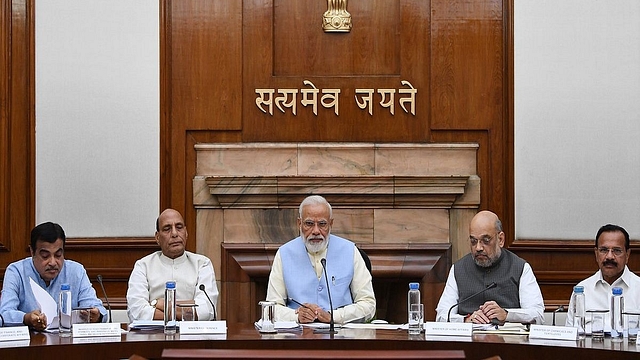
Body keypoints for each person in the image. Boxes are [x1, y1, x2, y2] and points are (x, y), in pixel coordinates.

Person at [265, 195, 376, 324]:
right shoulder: (284, 253)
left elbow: (368, 305)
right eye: (309, 224)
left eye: (322, 224)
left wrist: (335, 316)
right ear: (299, 224)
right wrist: (296, 316)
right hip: (297, 338)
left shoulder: (350, 251)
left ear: (331, 224)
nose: (316, 231)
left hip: (342, 338)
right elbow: (270, 309)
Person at [435, 210, 545, 324]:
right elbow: (442, 316)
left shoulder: (520, 268)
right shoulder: (458, 269)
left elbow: (537, 315)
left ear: (500, 239)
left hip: (507, 340)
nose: (478, 248)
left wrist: (506, 315)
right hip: (469, 340)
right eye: (473, 241)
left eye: (485, 241)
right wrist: (466, 319)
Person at [0, 222, 108, 329]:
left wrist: (97, 315)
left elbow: (97, 308)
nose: (52, 262)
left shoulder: (76, 271)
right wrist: (26, 318)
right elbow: (4, 314)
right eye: (45, 256)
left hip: (68, 342)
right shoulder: (16, 272)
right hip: (30, 343)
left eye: (58, 255)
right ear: (32, 252)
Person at [126, 208, 218, 322]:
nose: (174, 234)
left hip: (192, 337)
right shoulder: (143, 266)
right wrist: (189, 307)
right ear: (157, 238)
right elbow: (137, 312)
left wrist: (158, 304)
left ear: (186, 233)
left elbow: (206, 310)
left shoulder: (202, 264)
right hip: (153, 336)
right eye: (167, 229)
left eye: (179, 227)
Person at [565, 224, 640, 329]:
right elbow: (571, 338)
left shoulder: (638, 288)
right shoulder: (582, 290)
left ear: (627, 255)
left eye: (617, 251)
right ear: (596, 254)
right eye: (604, 250)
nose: (609, 256)